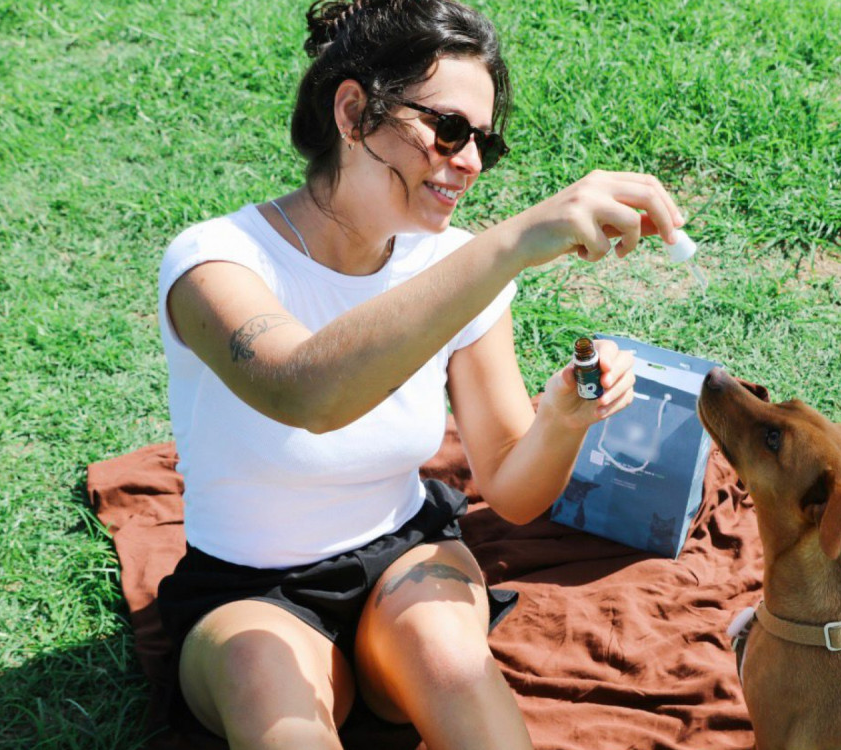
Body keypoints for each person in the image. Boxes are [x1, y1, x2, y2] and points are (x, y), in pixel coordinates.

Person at [154, 0, 686, 747]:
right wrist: (509, 245)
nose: (468, 162)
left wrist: (564, 419)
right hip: (249, 588)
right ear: (353, 112)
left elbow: (511, 486)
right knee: (262, 675)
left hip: (406, 555)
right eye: (449, 129)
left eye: (484, 144)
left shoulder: (455, 265)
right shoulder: (215, 261)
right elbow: (303, 390)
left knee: (449, 656)